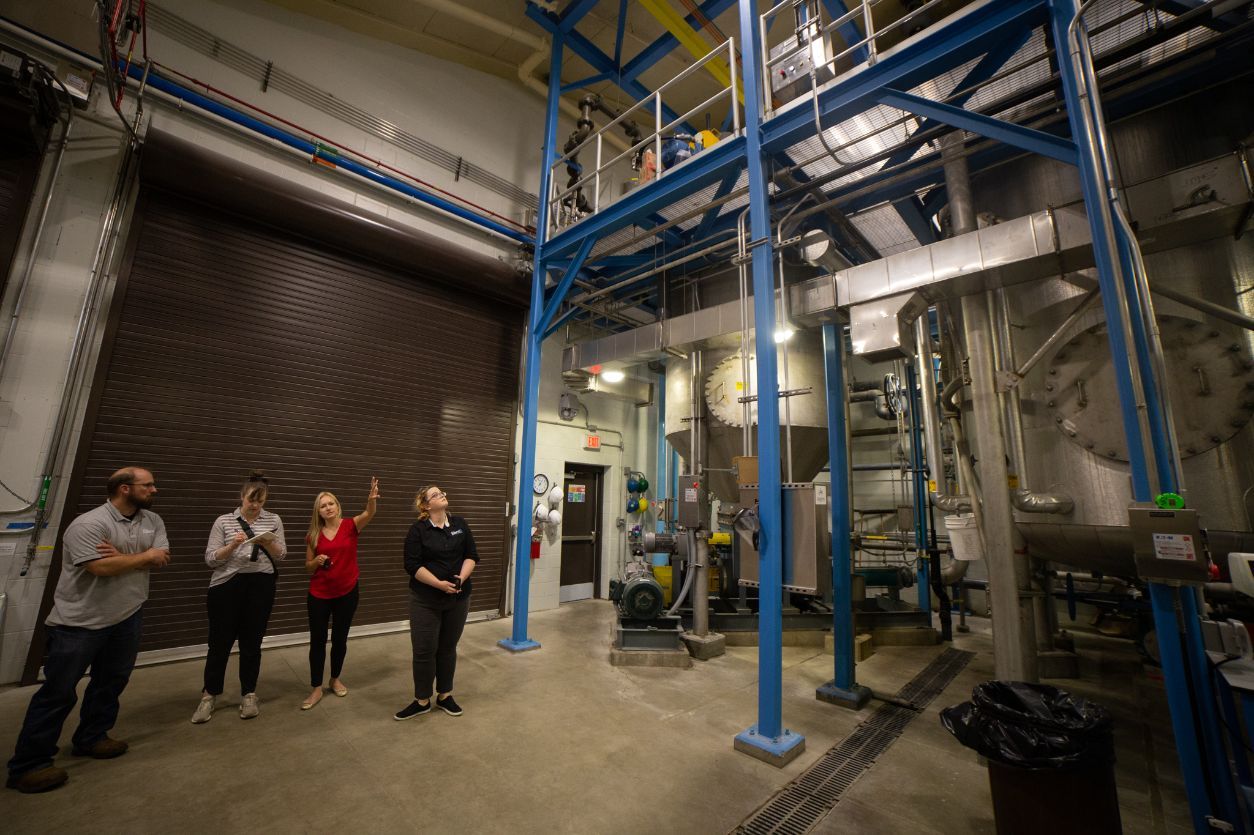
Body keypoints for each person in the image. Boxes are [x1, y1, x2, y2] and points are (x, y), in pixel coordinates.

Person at [6, 467, 170, 794]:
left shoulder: (153, 522)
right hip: (79, 623)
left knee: (110, 682)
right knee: (58, 692)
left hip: (127, 616)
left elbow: (161, 557)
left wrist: (130, 557)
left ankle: (92, 737)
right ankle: (30, 764)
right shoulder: (89, 524)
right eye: (147, 485)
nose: (154, 490)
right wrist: (142, 556)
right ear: (125, 489)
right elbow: (99, 567)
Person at [191, 470, 287, 724]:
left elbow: (281, 554)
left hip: (261, 584)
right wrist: (233, 545)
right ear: (241, 496)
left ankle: (249, 693)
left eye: (260, 501)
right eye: (251, 500)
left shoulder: (273, 519)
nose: (255, 506)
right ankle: (209, 695)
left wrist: (267, 542)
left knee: (252, 643)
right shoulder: (223, 521)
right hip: (226, 585)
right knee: (219, 643)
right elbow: (211, 559)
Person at [394, 485, 477, 721]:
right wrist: (439, 584)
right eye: (435, 494)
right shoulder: (418, 531)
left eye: (442, 492)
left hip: (458, 599)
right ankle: (421, 700)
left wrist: (461, 578)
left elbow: (471, 555)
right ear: (426, 505)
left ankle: (444, 696)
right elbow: (412, 565)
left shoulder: (460, 524)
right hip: (425, 600)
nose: (442, 495)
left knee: (448, 648)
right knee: (423, 650)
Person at [302, 477, 378, 710]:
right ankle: (316, 687)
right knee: (317, 641)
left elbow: (369, 513)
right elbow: (308, 566)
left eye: (331, 503)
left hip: (347, 592)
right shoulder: (314, 534)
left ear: (337, 505)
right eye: (323, 505)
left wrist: (371, 499)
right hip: (319, 594)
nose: (328, 507)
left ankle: (335, 678)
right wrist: (316, 560)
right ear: (319, 511)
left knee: (339, 639)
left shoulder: (350, 525)